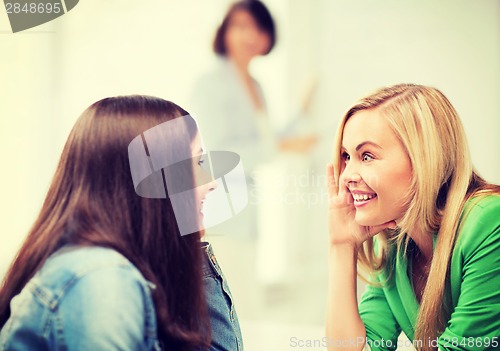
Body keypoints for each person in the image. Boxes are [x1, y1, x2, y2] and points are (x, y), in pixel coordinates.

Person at [0, 96, 243, 350]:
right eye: (196, 162)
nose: (212, 183)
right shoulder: (101, 281)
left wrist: (190, 245)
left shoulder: (119, 272)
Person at [325, 84, 500, 351]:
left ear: (423, 159)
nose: (347, 175)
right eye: (347, 156)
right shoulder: (392, 242)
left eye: (367, 156)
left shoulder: (489, 221)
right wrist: (341, 246)